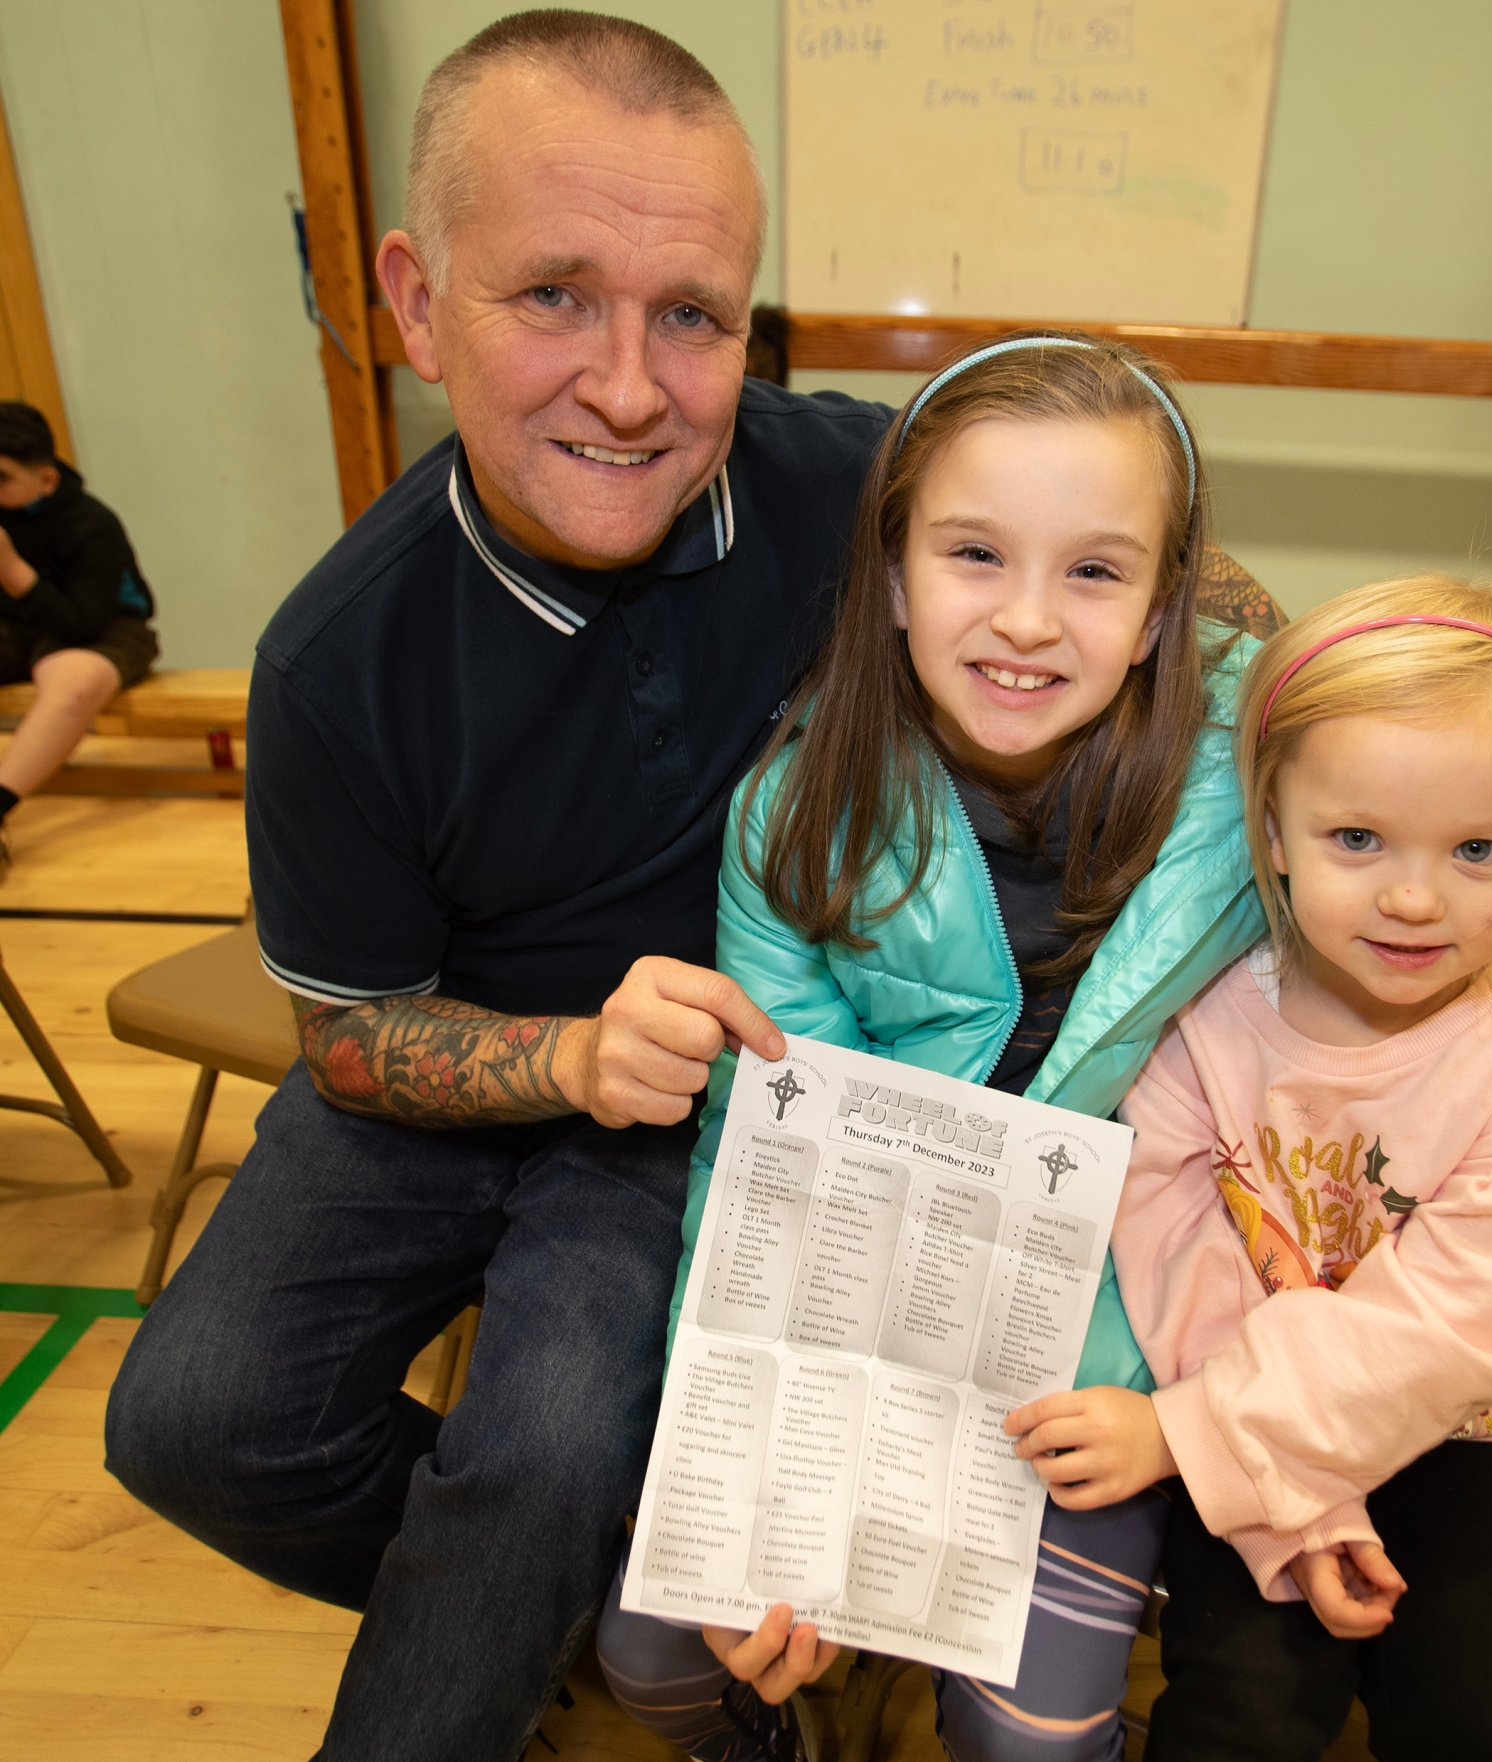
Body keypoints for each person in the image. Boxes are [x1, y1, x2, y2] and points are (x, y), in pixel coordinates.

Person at [100, 16, 1275, 1758]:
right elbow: (346, 1036)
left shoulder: (850, 485)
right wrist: (569, 1057)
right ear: (415, 302)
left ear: (748, 328)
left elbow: (1140, 564)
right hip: (471, 1059)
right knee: (192, 1419)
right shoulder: (336, 662)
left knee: (549, 1437)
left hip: (729, 1090)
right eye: (553, 295)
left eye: (693, 317)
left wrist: (1332, 722)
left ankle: (572, 1583)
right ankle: (567, 1598)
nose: (631, 387)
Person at [595, 332, 1267, 1761]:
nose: (1028, 619)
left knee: (1031, 1742)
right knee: (654, 1653)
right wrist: (757, 1473)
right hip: (860, 1328)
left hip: (1108, 1363)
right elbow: (763, 1163)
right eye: (974, 554)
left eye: (1095, 572)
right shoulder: (796, 815)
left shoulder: (1262, 781)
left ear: (1162, 610)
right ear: (895, 578)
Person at [1003, 578, 1492, 1760]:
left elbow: (1442, 1335)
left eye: (1478, 849)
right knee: (1235, 1716)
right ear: (1275, 832)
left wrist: (1196, 1436)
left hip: (1460, 1433)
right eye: (1358, 838)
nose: (1412, 896)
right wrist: (1294, 1509)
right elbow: (1172, 1238)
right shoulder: (1201, 1018)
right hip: (1232, 1401)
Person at [0, 401, 157, 865]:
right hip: (22, 625)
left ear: (46, 480)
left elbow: (82, 623)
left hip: (107, 627)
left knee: (74, 682)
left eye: (2, 478)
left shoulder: (91, 524)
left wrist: (12, 571)